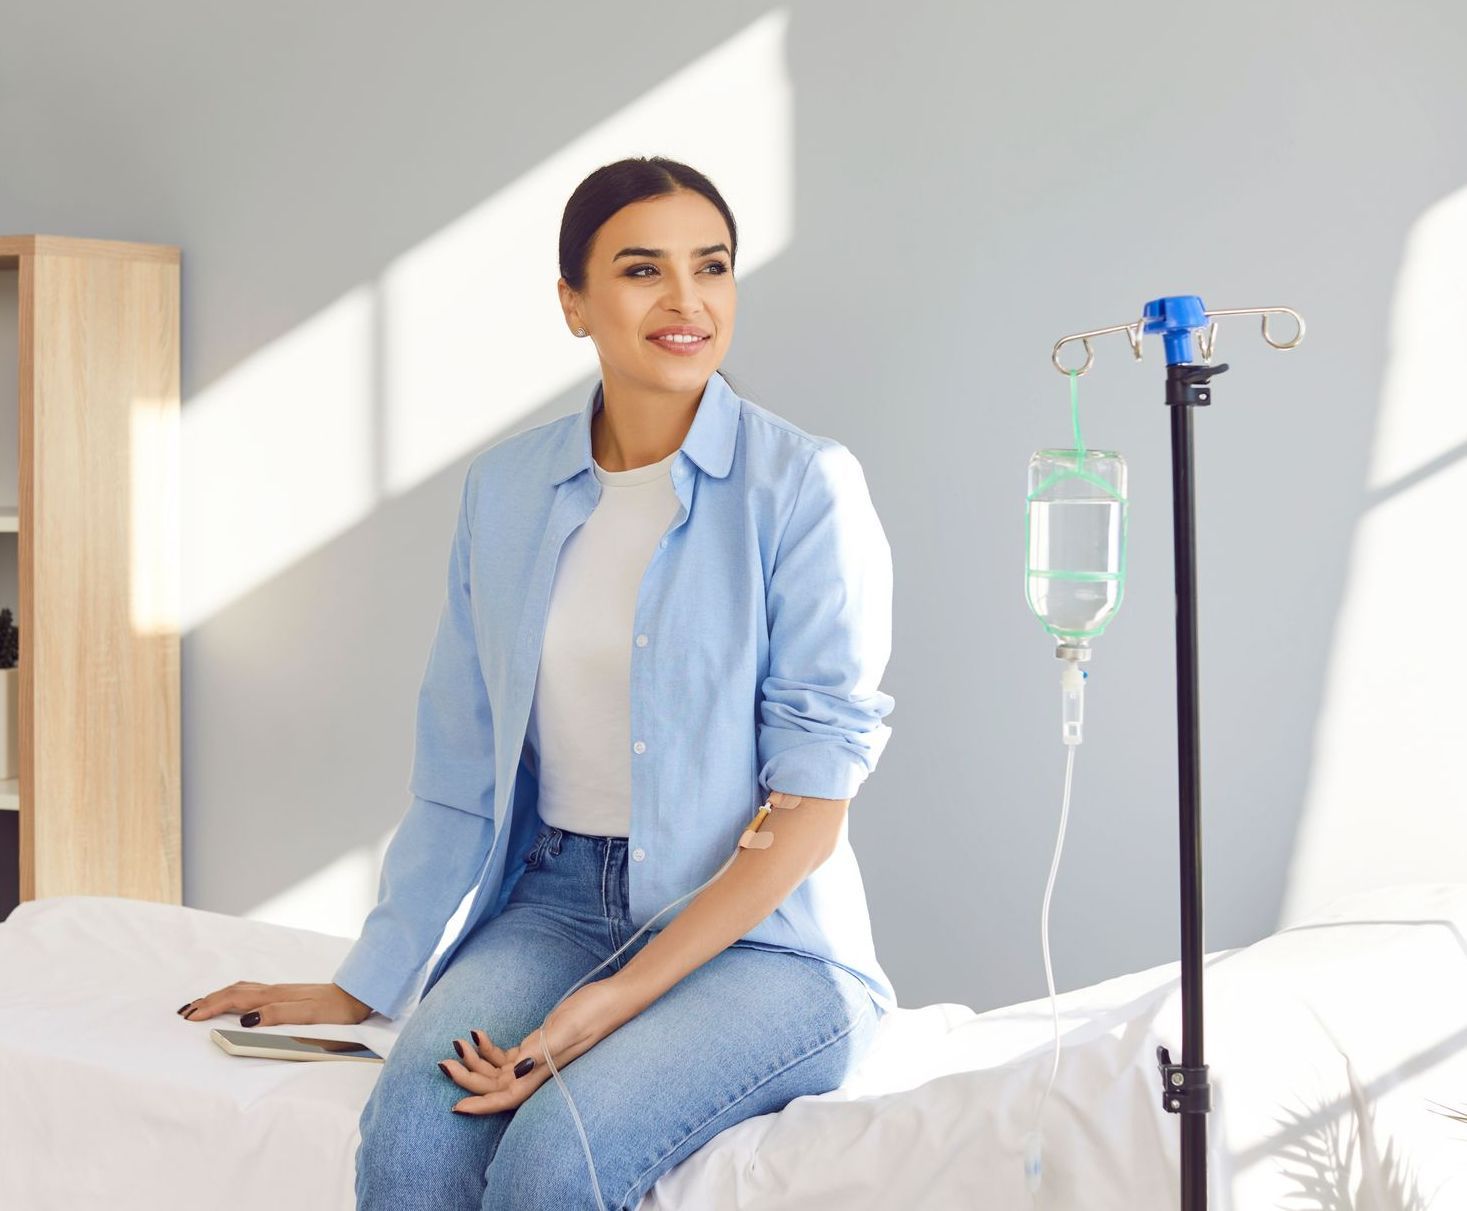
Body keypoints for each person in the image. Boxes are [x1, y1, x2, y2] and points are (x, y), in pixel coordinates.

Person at [176, 155, 898, 1211]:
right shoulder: (508, 489)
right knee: (415, 1139)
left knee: (554, 1157)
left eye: (714, 266)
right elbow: (460, 763)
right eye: (643, 270)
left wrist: (606, 1004)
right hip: (555, 901)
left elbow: (808, 810)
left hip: (763, 939)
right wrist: (365, 979)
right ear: (574, 302)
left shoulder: (804, 487)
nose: (687, 300)